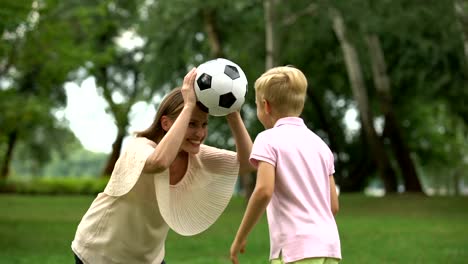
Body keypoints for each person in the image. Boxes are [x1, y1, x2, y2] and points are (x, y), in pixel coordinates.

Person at [71, 67, 255, 264]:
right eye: (191, 124)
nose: (200, 134)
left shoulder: (197, 156)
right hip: (100, 252)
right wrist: (188, 106)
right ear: (166, 123)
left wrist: (233, 112)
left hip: (148, 258)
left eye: (204, 125)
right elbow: (159, 162)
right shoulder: (139, 147)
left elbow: (248, 163)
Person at [229, 66, 341, 264]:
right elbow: (333, 205)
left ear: (266, 106)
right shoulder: (321, 145)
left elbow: (264, 191)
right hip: (329, 247)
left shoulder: (267, 139)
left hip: (295, 248)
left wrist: (240, 237)